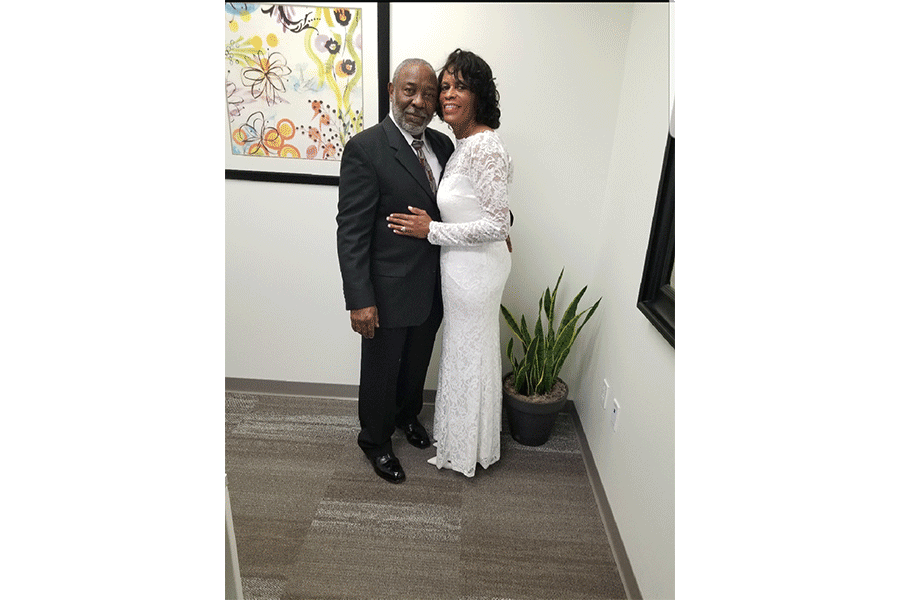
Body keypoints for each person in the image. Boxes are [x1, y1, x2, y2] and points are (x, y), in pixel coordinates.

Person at [387, 49, 512, 477]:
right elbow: (487, 210)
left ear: (478, 94)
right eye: (445, 87)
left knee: (469, 354)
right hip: (459, 268)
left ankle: (469, 447)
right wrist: (501, 222)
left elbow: (495, 222)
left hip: (476, 272)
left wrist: (432, 232)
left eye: (460, 86)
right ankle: (464, 439)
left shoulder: (485, 146)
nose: (448, 95)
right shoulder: (458, 145)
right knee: (462, 354)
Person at [336, 58, 455, 484]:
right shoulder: (366, 148)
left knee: (417, 364)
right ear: (391, 90)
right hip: (386, 292)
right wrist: (360, 299)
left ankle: (408, 417)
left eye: (428, 94)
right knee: (382, 372)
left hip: (435, 287)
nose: (419, 102)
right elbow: (351, 231)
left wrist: (500, 224)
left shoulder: (443, 146)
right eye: (410, 90)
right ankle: (375, 441)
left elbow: (460, 204)